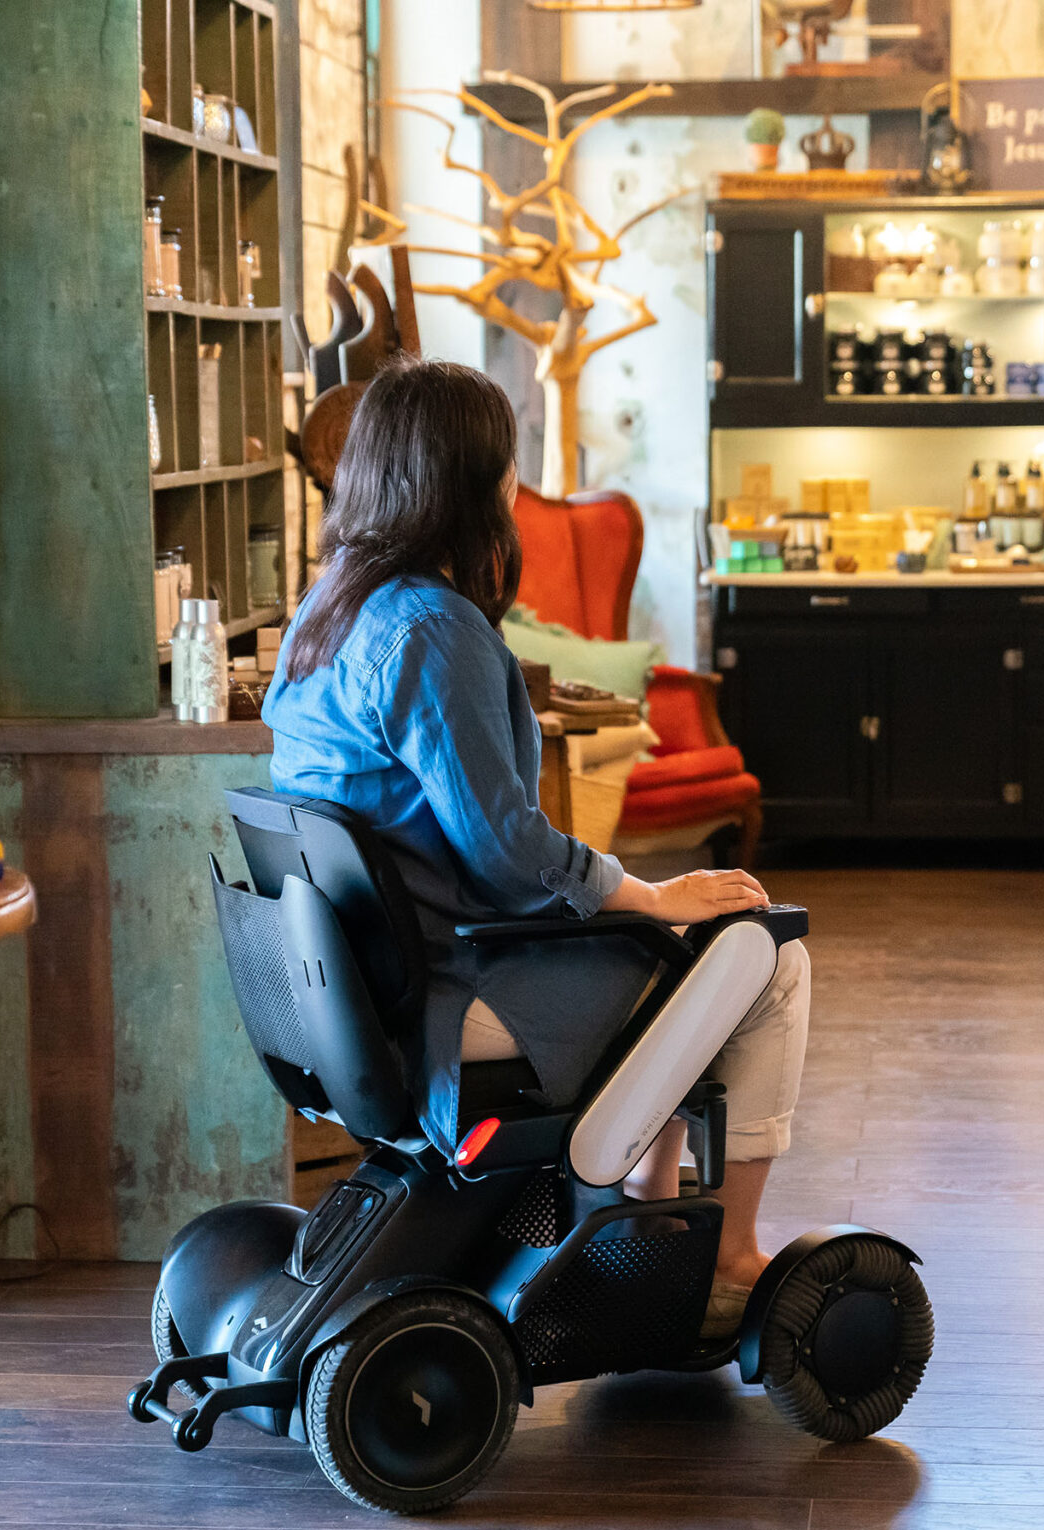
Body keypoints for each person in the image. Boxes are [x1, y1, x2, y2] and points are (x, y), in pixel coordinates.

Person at [264, 360, 808, 1336]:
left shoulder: (326, 610)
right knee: (762, 952)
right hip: (458, 992)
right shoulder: (434, 629)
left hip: (354, 987)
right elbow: (508, 854)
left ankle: (641, 1221)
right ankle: (721, 1253)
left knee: (702, 954)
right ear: (480, 482)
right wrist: (647, 895)